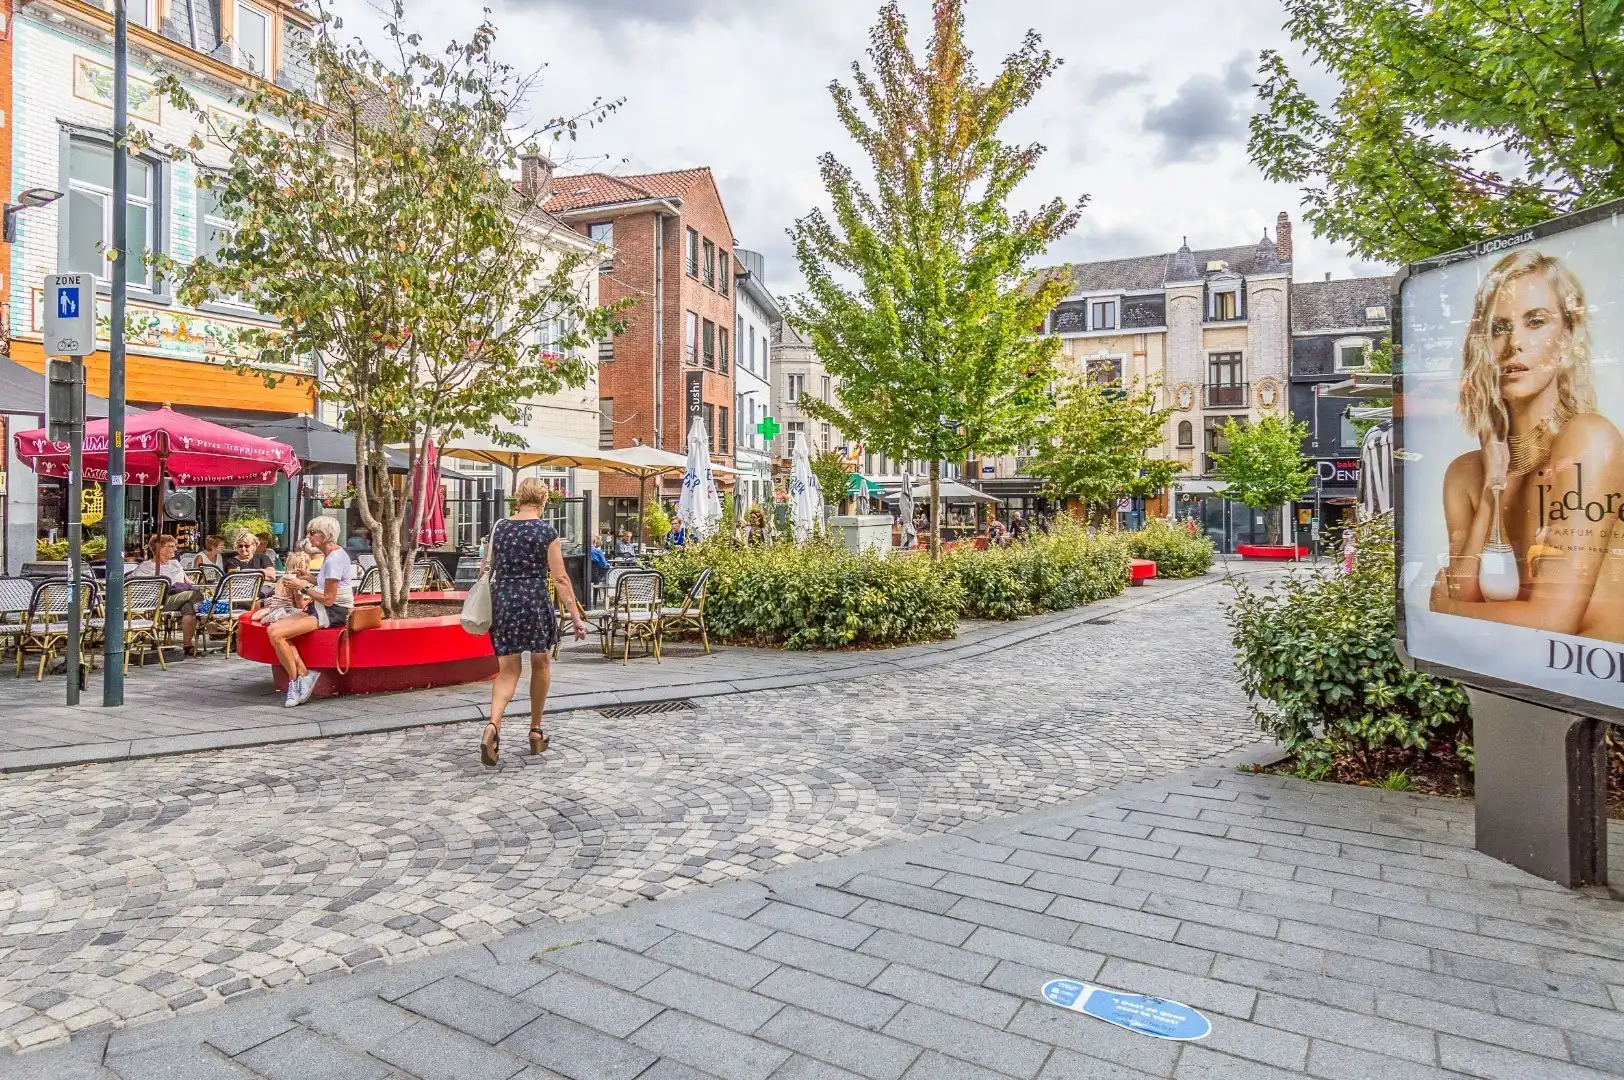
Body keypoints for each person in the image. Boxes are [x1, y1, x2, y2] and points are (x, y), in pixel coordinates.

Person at [1429, 250, 1624, 640]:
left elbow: (1552, 621)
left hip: (1590, 690)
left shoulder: (1588, 438)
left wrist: (1451, 611)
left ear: (1567, 336)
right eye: (1499, 327)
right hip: (1513, 679)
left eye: (1536, 322)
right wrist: (1492, 487)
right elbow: (1464, 592)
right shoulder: (1466, 473)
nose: (1514, 343)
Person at [479, 478, 587, 766]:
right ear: (543, 502)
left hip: (504, 600)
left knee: (507, 670)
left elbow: (485, 569)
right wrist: (575, 616)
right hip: (535, 601)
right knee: (541, 663)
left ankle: (493, 725)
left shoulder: (499, 528)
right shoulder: (546, 531)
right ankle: (535, 732)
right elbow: (561, 578)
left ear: (517, 499)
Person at [264, 515, 355, 708]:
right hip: (321, 608)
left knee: (278, 634)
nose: (309, 536)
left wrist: (302, 586)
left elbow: (329, 599)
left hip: (332, 612)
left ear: (326, 535)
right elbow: (325, 584)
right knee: (274, 630)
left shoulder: (334, 559)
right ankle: (304, 675)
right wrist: (309, 578)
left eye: (313, 532)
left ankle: (294, 682)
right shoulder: (332, 556)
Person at [134, 534, 203, 655]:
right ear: (160, 549)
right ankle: (207, 617)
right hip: (159, 601)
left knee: (189, 607)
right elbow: (132, 584)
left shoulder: (175, 563)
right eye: (171, 546)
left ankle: (187, 645)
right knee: (194, 595)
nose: (175, 549)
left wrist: (201, 587)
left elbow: (188, 581)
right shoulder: (146, 567)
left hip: (180, 598)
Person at [251, 551, 311, 624]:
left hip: (275, 608)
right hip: (287, 610)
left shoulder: (283, 578)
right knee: (311, 613)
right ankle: (279, 617)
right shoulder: (297, 581)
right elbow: (299, 605)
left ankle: (273, 615)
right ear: (306, 567)